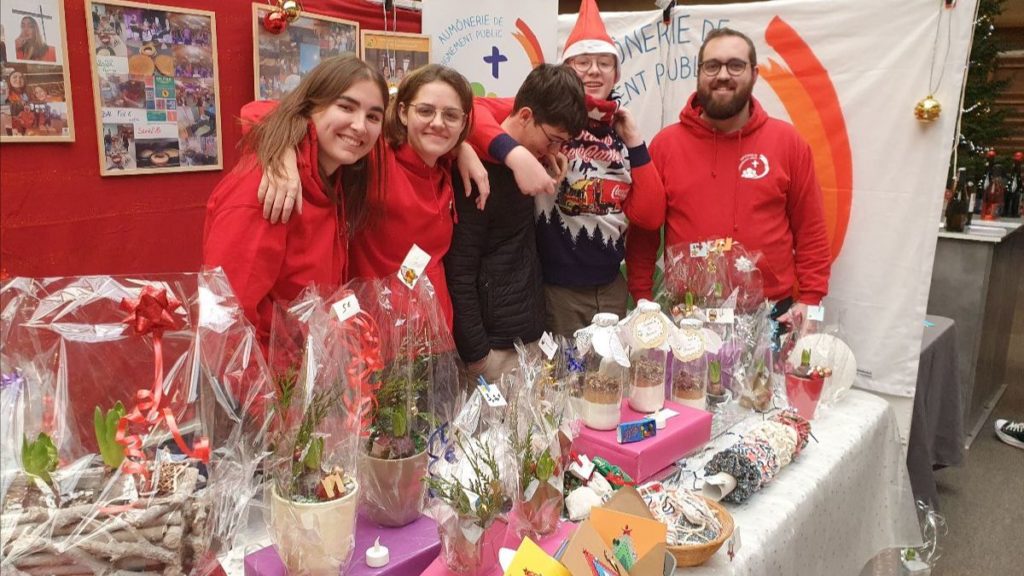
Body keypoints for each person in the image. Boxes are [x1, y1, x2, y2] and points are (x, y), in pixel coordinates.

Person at [465, 0, 665, 336]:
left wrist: (634, 140)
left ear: (617, 73)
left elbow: (650, 216)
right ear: (566, 68)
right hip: (555, 288)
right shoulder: (540, 115)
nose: (594, 71)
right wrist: (517, 154)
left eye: (604, 63)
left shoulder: (625, 133)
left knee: (608, 381)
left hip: (611, 285)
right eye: (582, 62)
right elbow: (470, 110)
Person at [251, 64, 488, 330]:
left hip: (434, 333)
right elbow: (255, 111)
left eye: (451, 116)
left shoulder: (447, 166)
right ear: (402, 112)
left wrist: (466, 146)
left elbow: (501, 109)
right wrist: (284, 148)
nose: (437, 122)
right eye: (425, 111)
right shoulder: (375, 156)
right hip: (372, 336)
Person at [626, 28, 831, 332]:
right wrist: (643, 299)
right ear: (699, 74)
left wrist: (811, 299)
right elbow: (644, 234)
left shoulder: (788, 142)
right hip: (688, 318)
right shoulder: (665, 145)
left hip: (771, 316)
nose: (723, 75)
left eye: (735, 65)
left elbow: (810, 229)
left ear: (755, 74)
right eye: (712, 65)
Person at [203, 55, 387, 348]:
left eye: (373, 116)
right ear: (310, 107)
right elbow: (226, 321)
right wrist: (265, 391)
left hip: (307, 370)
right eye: (346, 107)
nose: (360, 126)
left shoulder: (331, 179)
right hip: (269, 381)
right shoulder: (266, 188)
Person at [446, 64, 587, 382]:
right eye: (552, 140)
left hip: (528, 335)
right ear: (524, 116)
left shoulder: (534, 156)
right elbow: (460, 269)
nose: (554, 151)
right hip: (492, 349)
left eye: (561, 144)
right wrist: (477, 356)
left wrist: (541, 152)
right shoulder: (475, 171)